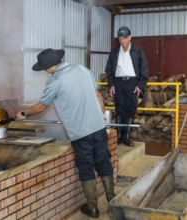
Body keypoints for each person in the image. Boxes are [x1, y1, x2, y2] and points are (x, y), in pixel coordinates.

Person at [15, 48, 115, 218]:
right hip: (98, 127)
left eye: (44, 68)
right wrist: (103, 115)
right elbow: (97, 94)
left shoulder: (55, 81)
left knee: (86, 167)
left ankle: (92, 207)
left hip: (81, 133)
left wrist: (24, 114)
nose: (45, 71)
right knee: (103, 161)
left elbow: (41, 106)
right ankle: (113, 203)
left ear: (49, 67)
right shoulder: (83, 69)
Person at [105, 26, 149, 147]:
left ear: (130, 37)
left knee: (130, 109)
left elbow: (144, 70)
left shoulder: (137, 51)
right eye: (120, 38)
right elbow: (108, 70)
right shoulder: (114, 52)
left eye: (125, 38)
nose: (123, 41)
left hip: (132, 83)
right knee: (119, 109)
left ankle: (127, 136)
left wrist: (140, 85)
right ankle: (119, 136)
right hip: (118, 83)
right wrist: (111, 85)